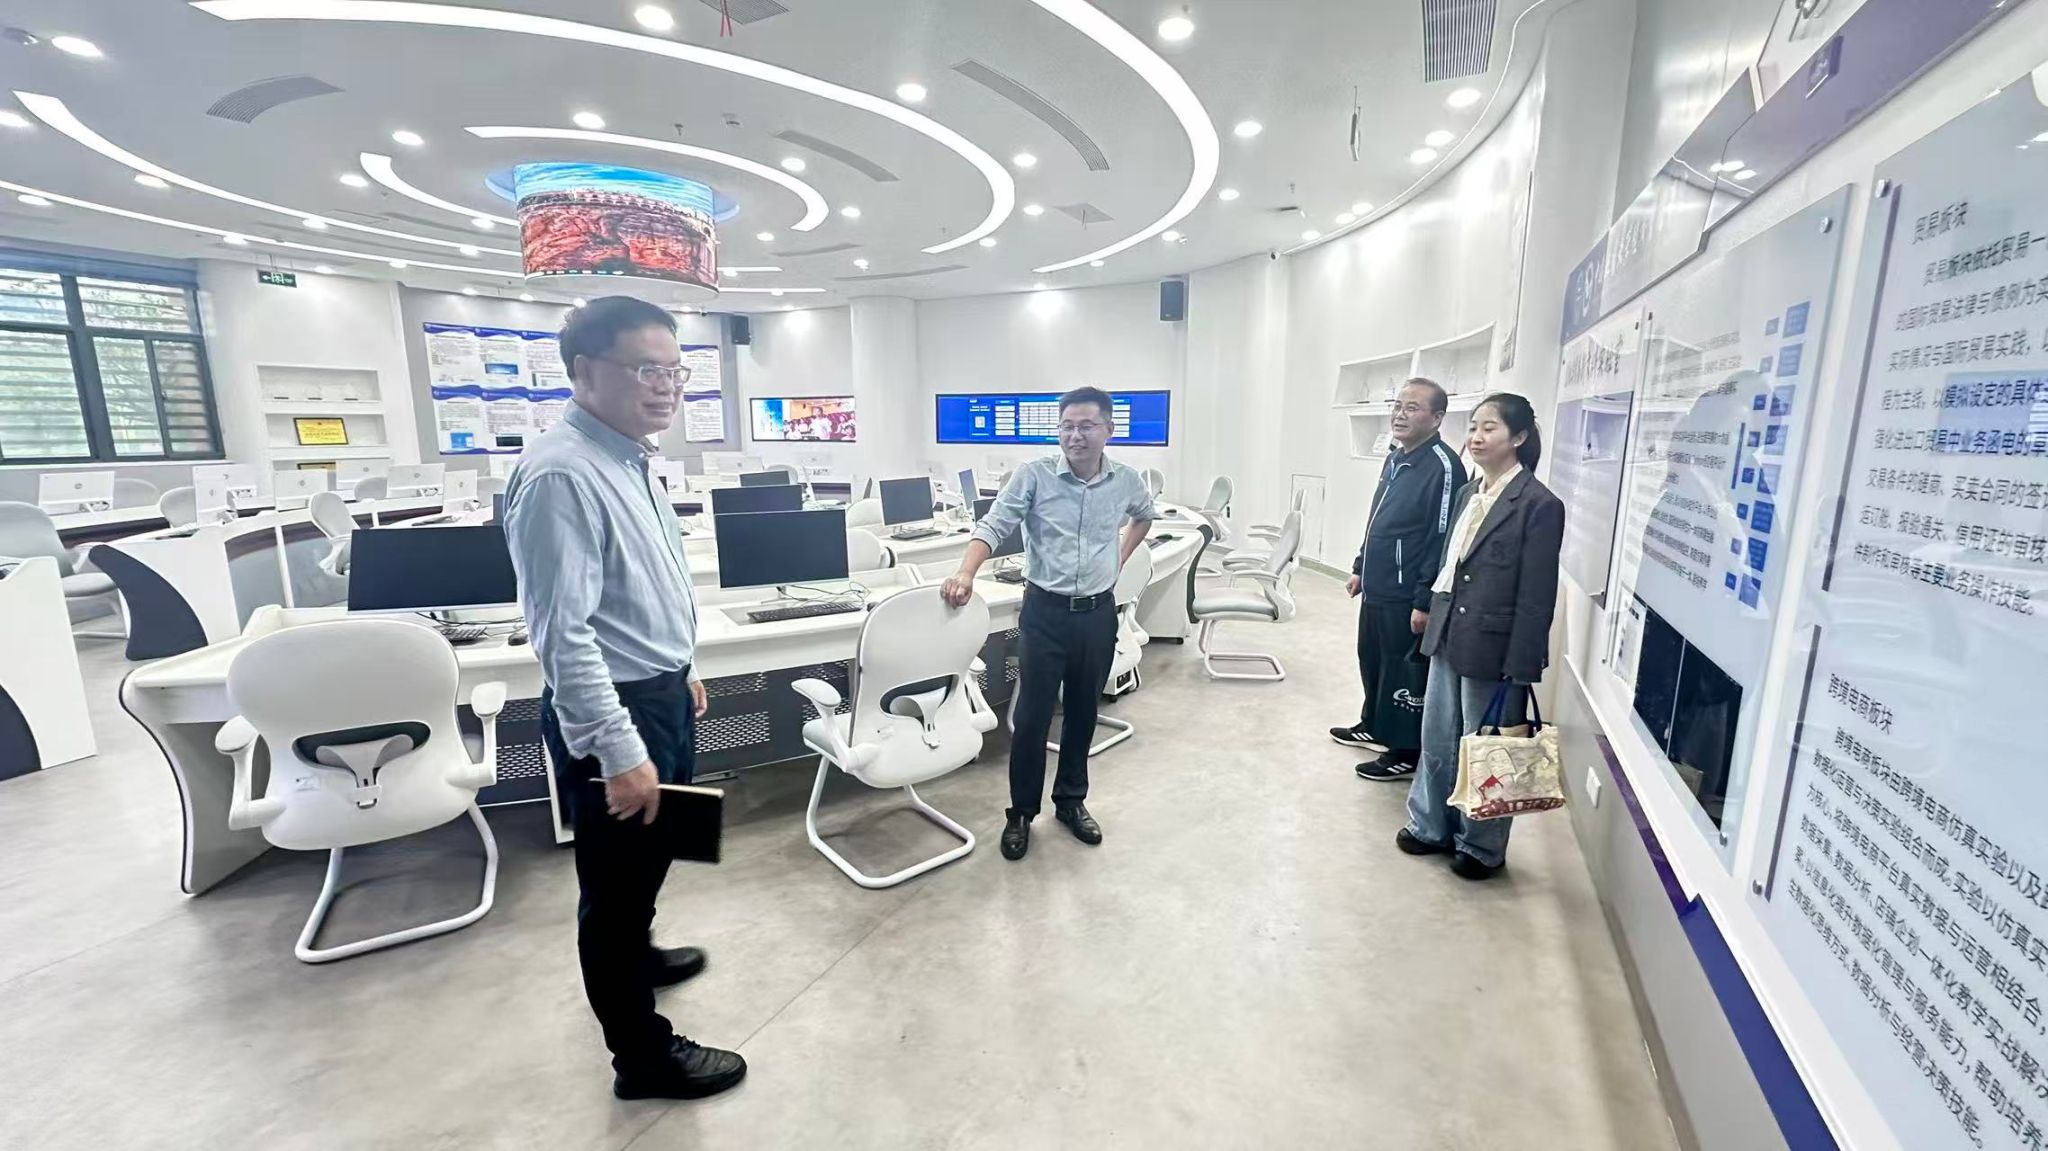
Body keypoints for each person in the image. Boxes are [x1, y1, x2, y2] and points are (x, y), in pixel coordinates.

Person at [502, 296, 747, 1101]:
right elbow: (563, 634)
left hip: (660, 691)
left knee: (647, 861)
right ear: (583, 370)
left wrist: (680, 665)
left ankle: (636, 954)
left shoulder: (629, 458)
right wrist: (617, 747)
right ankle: (642, 1057)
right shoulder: (561, 473)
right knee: (611, 891)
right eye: (646, 369)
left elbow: (637, 590)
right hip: (617, 710)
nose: (666, 386)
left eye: (675, 370)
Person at [940, 386, 1157, 861]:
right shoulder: (1034, 476)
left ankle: (1071, 802)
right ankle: (1020, 812)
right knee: (1032, 717)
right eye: (1067, 426)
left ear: (1108, 430)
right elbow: (994, 525)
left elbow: (1144, 517)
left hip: (1097, 614)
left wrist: (1119, 556)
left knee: (1082, 713)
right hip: (1045, 613)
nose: (1075, 436)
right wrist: (966, 571)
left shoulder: (1125, 480)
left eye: (1087, 426)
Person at [1399, 392, 1564, 880]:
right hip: (1449, 633)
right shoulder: (1471, 493)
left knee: (1488, 748)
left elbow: (1537, 595)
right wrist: (1430, 612)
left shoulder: (1539, 504)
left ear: (1519, 437)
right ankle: (1431, 825)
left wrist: (1522, 664)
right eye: (1473, 427)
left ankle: (1481, 845)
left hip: (1495, 648)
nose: (1476, 436)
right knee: (1438, 737)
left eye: (1489, 428)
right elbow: (1452, 565)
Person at [1330, 378, 1466, 783]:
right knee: (1371, 658)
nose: (1400, 415)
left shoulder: (1443, 467)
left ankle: (1405, 750)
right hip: (1378, 583)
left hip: (1407, 592)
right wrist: (1360, 566)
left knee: (1402, 671)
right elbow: (1377, 520)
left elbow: (1441, 539)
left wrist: (1424, 600)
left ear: (1437, 418)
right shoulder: (1395, 457)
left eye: (1412, 408)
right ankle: (1374, 724)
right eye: (1397, 406)